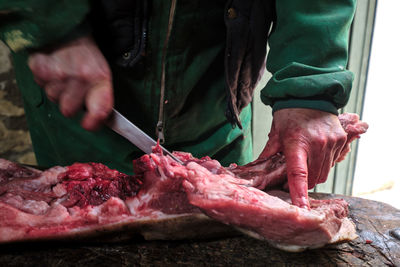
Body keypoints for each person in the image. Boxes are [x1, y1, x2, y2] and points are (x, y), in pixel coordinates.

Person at [0, 0, 356, 209]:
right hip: (87, 91)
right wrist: (47, 26)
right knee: (78, 211)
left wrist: (310, 79)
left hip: (218, 99)